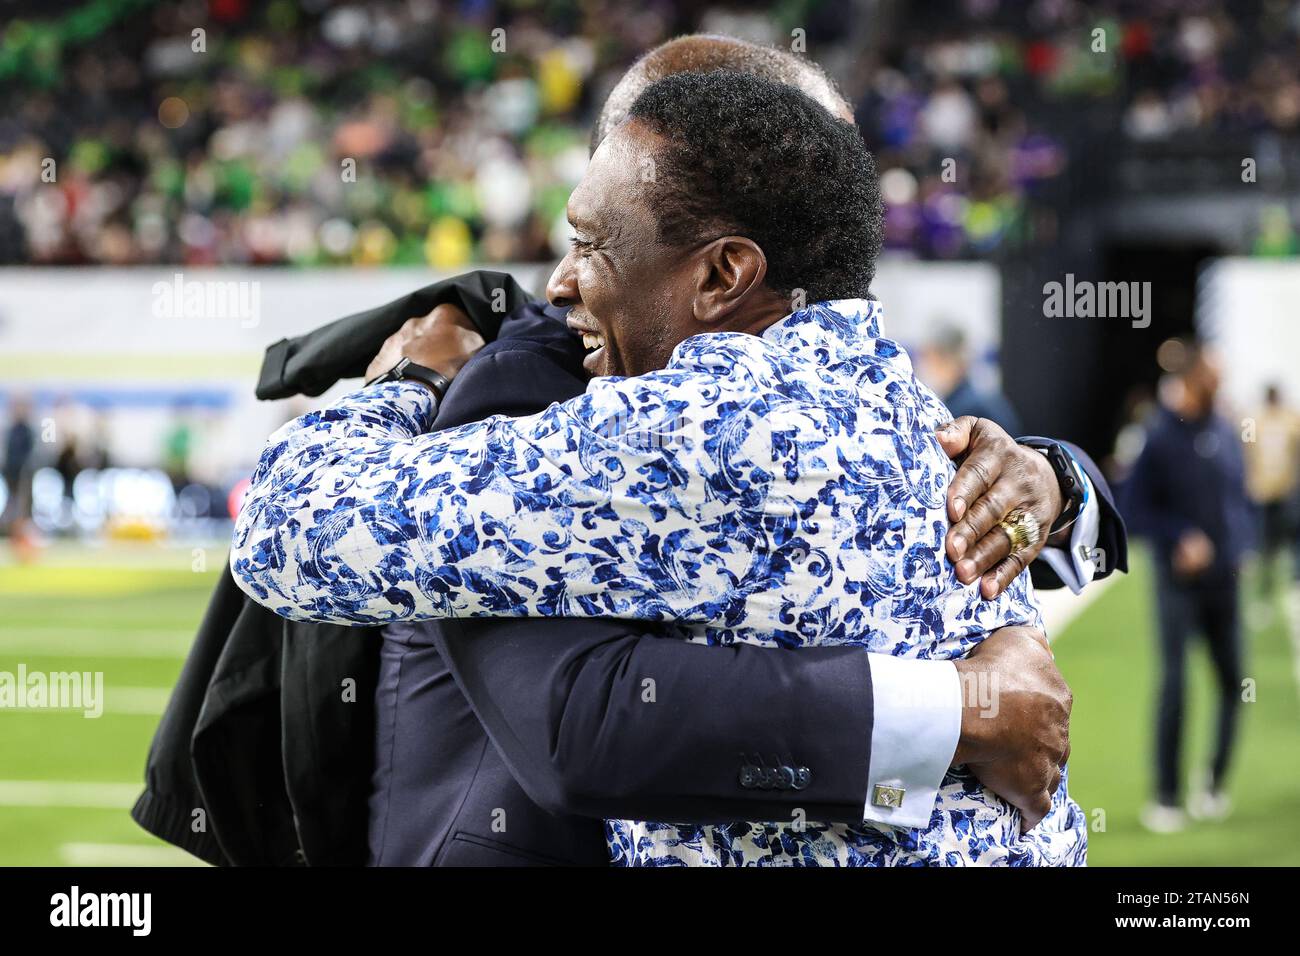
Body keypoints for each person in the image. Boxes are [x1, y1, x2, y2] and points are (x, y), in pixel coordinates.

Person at [232, 69, 1091, 865]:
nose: (560, 282)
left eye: (591, 243)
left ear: (723, 273)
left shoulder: (696, 423)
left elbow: (283, 530)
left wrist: (407, 382)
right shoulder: (916, 403)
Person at [1124, 340, 1253, 831]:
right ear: (1195, 377)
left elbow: (1238, 500)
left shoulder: (1226, 431)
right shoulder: (1160, 436)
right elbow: (1134, 510)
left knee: (1234, 682)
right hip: (1177, 583)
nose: (1220, 383)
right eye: (1213, 375)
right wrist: (1179, 535)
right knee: (1176, 684)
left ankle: (1214, 782)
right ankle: (1167, 796)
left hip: (1225, 583)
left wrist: (1242, 545)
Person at [916, 323, 1023, 435]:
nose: (924, 365)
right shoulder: (982, 400)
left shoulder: (967, 412)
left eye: (927, 356)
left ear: (943, 357)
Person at [1244, 383, 1300, 591]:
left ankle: (1291, 585)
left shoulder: (1290, 419)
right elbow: (1244, 451)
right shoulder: (1254, 420)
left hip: (1285, 491)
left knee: (1288, 542)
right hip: (1263, 492)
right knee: (1264, 544)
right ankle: (1266, 587)